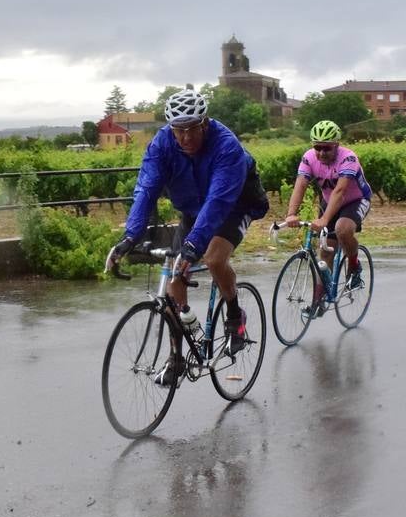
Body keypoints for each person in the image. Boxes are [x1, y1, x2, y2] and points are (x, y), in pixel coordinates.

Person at [105, 87, 269, 363]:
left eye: (193, 128)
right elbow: (146, 189)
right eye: (179, 130)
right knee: (175, 277)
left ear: (205, 123)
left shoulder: (226, 146)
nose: (186, 137)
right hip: (193, 208)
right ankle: (176, 357)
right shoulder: (162, 144)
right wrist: (129, 238)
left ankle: (234, 314)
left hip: (235, 204)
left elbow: (218, 201)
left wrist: (193, 248)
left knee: (214, 258)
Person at [280, 120, 371, 302]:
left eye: (327, 148)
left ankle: (354, 265)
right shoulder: (309, 157)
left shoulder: (348, 158)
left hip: (356, 199)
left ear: (336, 145)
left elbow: (340, 191)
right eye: (317, 147)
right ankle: (319, 298)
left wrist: (324, 220)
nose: (321, 152)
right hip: (330, 201)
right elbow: (300, 185)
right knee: (326, 250)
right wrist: (291, 213)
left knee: (342, 229)